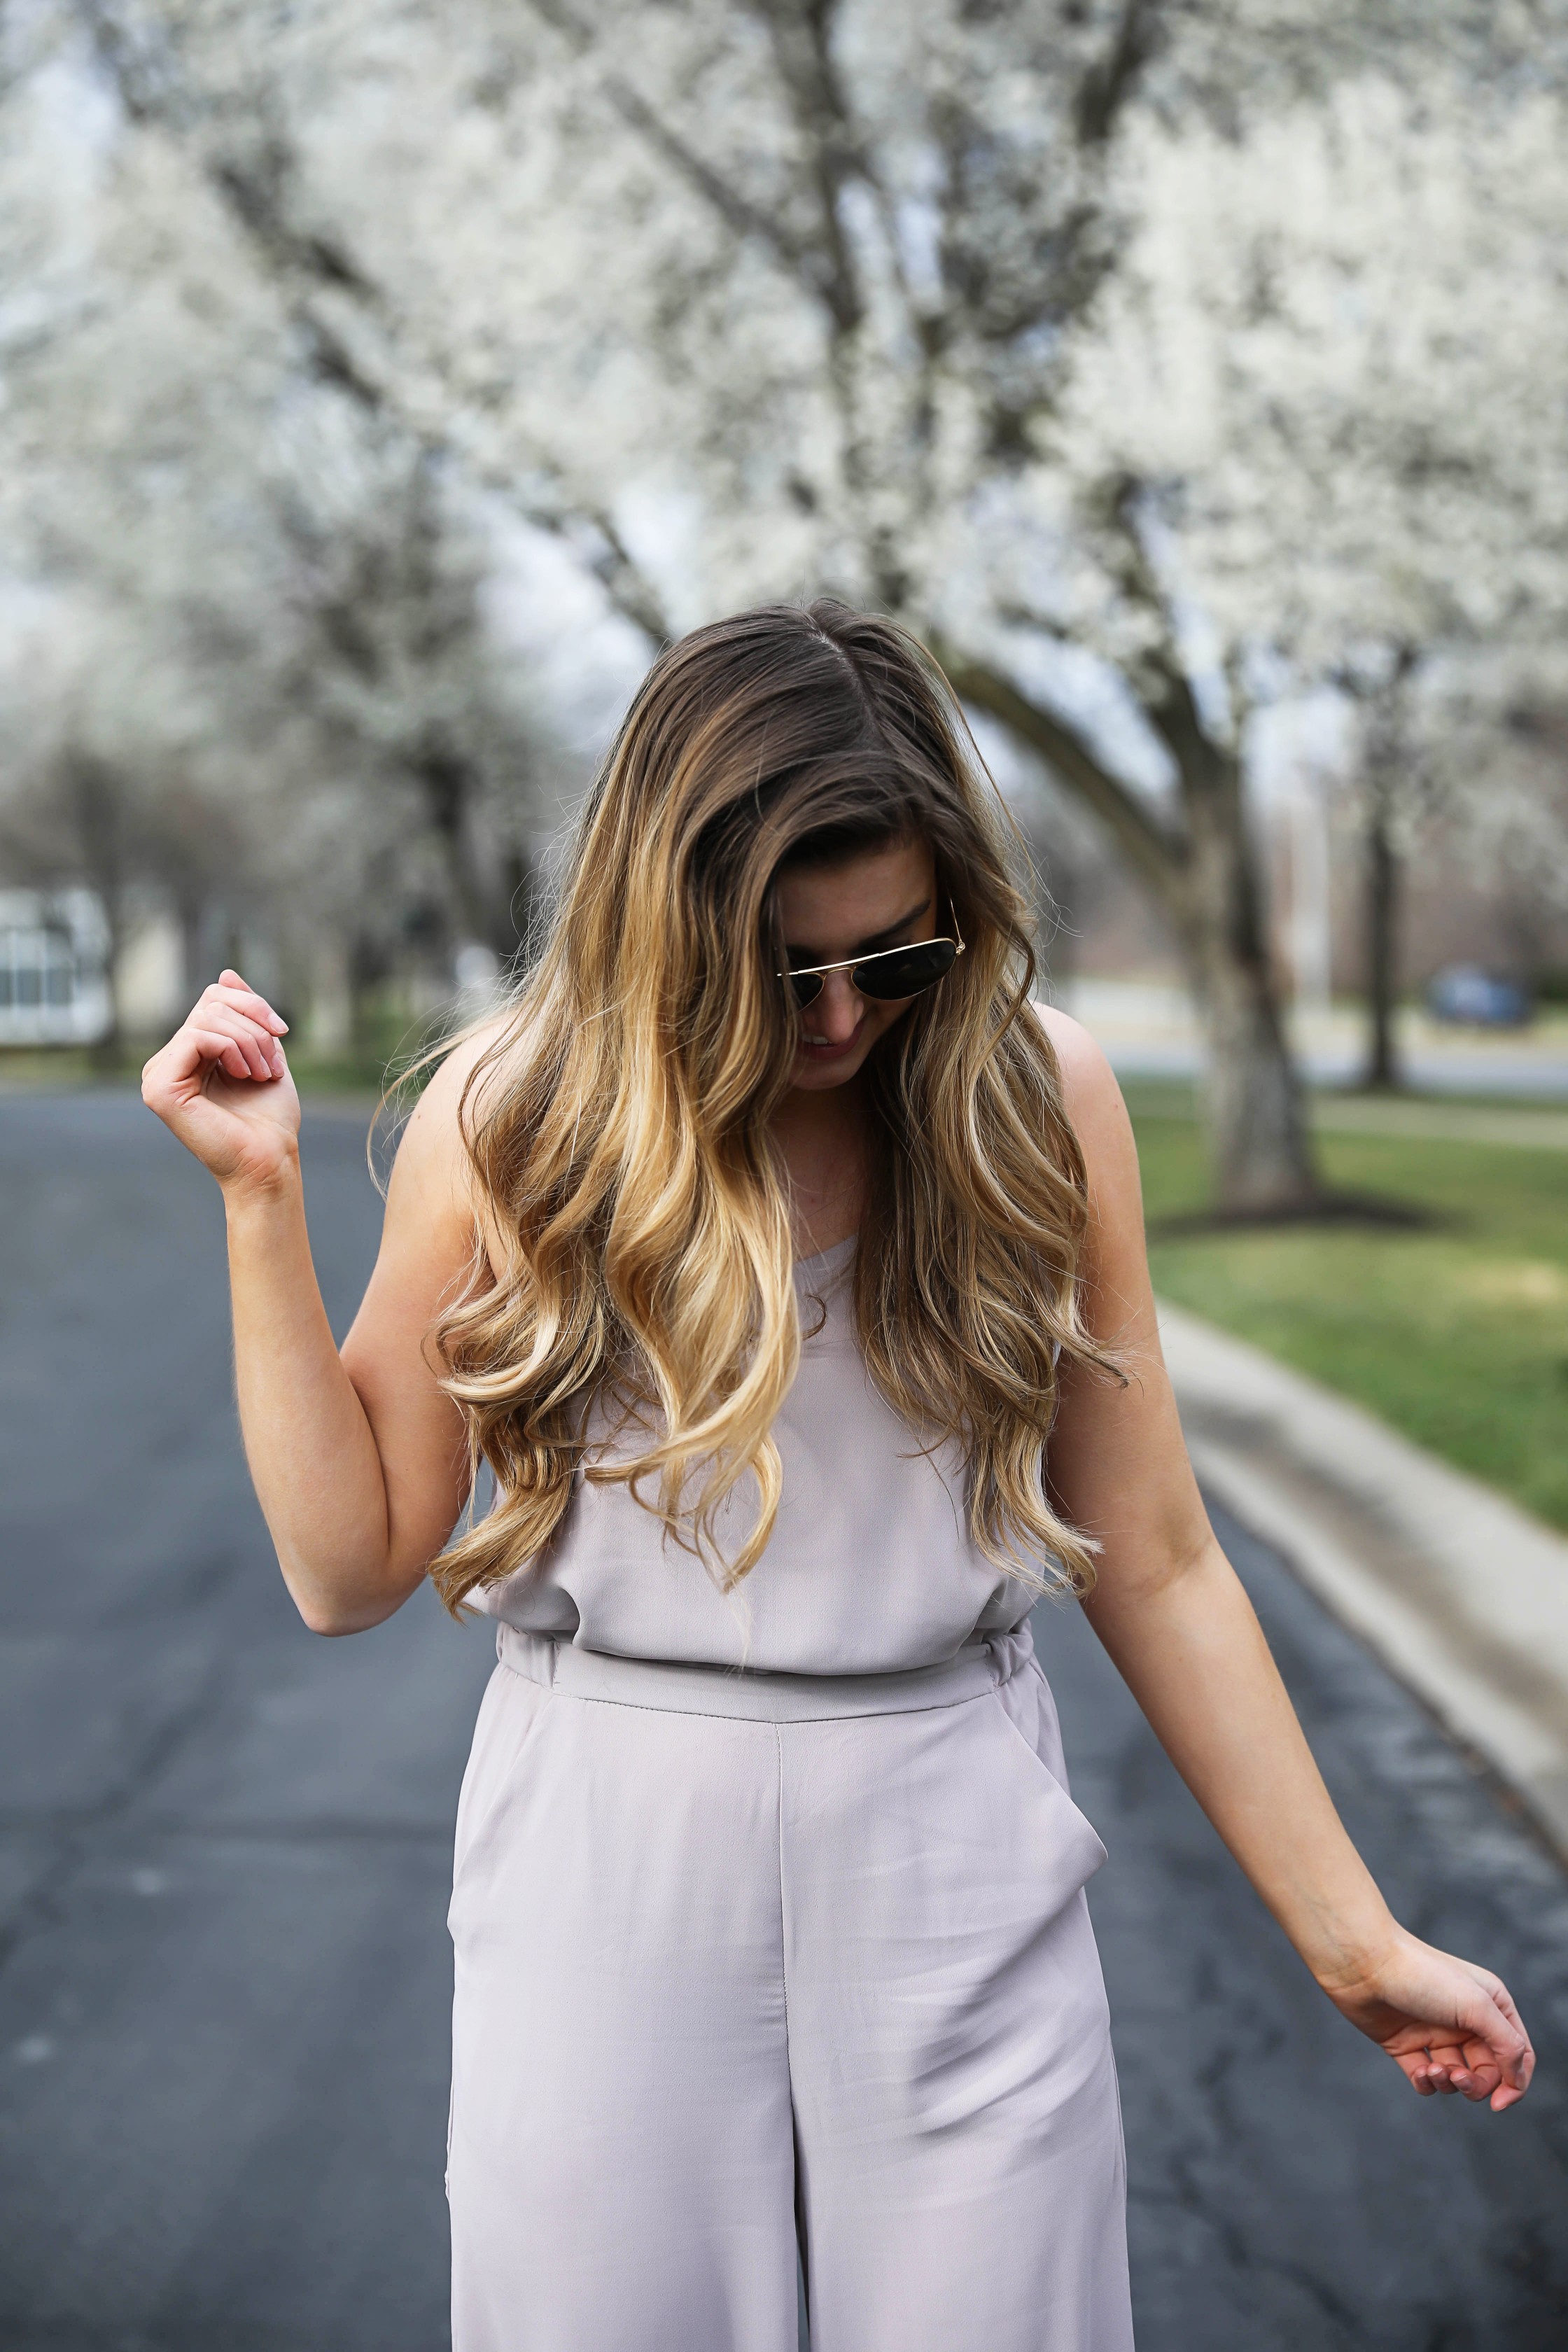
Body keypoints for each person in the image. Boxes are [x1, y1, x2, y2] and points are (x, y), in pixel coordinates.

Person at [144, 601, 1533, 2352]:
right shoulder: (516, 1114)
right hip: (606, 1856)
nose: (845, 1015)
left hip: (951, 1834)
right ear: (671, 932)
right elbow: (345, 1571)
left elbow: (1159, 1554)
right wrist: (258, 1204)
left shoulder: (1032, 1095)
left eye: (895, 957)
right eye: (787, 969)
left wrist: (1351, 1937)